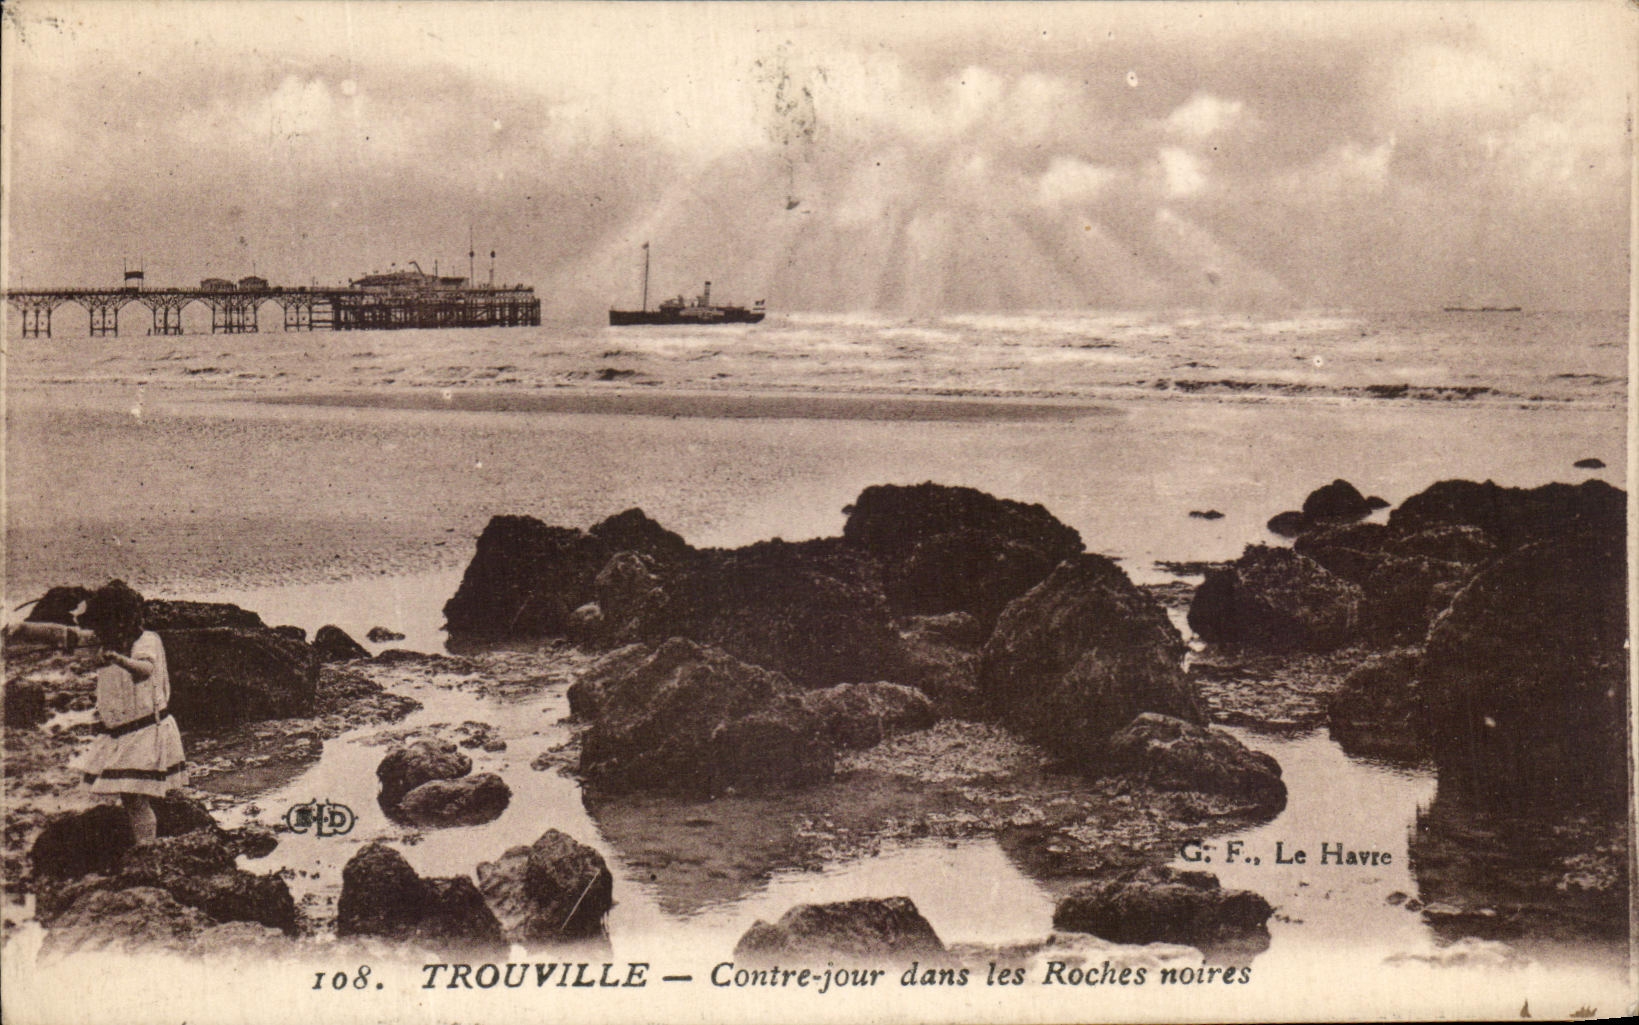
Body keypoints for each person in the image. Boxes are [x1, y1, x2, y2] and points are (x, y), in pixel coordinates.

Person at [4, 581, 186, 843]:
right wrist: (19, 629)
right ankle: (146, 846)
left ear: (121, 620)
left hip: (145, 730)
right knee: (133, 799)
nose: (100, 631)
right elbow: (64, 635)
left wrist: (116, 659)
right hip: (124, 732)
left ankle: (148, 848)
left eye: (105, 624)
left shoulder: (147, 641)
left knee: (136, 799)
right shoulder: (106, 639)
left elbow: (145, 670)